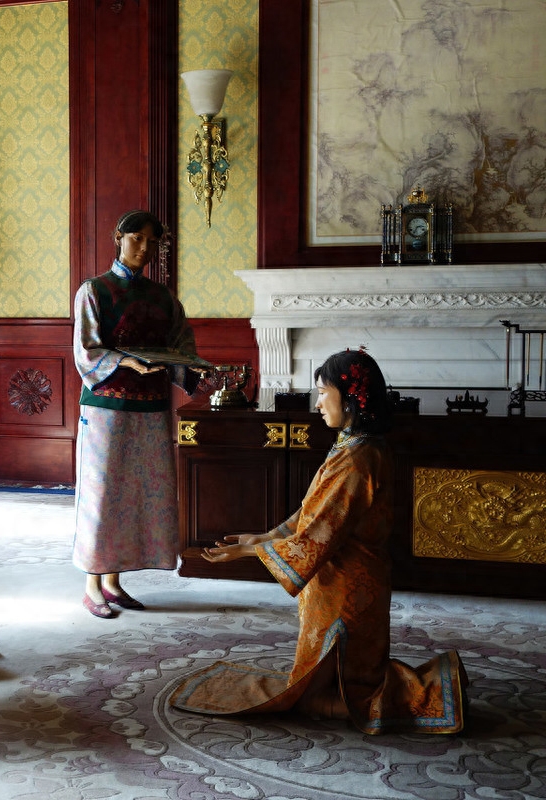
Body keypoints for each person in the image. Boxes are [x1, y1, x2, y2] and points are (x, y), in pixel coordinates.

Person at [168, 349, 467, 734]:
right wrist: (264, 537)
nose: (318, 403)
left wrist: (249, 550)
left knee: (326, 696)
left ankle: (437, 695)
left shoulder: (357, 459)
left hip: (347, 588)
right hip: (344, 581)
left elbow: (320, 534)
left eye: (324, 393)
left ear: (351, 398)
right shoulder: (354, 444)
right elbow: (311, 512)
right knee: (330, 683)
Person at [72, 210, 204, 618]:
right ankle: (93, 585)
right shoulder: (94, 291)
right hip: (107, 409)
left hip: (151, 409)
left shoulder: (164, 298)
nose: (144, 248)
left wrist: (194, 368)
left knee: (137, 495)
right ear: (119, 236)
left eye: (152, 242)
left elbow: (181, 346)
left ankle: (114, 582)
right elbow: (87, 349)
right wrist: (125, 362)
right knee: (103, 494)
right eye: (137, 238)